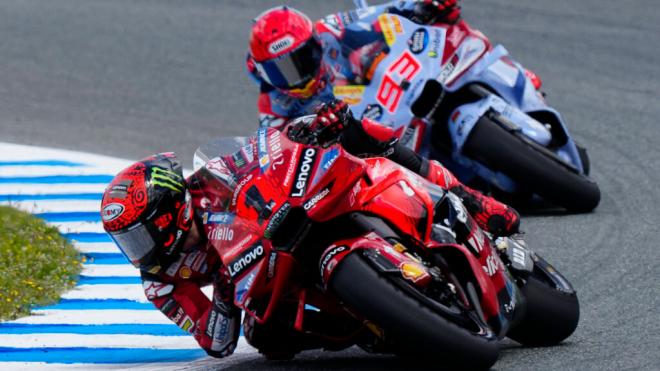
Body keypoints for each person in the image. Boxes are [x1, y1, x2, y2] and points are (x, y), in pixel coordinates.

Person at [100, 101, 520, 359]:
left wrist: (308, 130)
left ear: (167, 212)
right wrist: (227, 294)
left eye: (137, 235)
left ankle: (472, 199)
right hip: (260, 281)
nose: (136, 250)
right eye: (126, 241)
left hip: (283, 224)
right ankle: (374, 321)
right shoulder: (161, 284)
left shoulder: (207, 183)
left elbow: (260, 152)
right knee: (269, 339)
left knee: (359, 136)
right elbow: (217, 342)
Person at [247, 1, 461, 129]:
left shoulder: (329, 30)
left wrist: (422, 6)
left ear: (314, 42)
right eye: (280, 70)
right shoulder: (272, 105)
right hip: (362, 148)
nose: (297, 76)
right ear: (263, 73)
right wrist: (311, 132)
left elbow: (381, 13)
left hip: (392, 99)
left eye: (301, 59)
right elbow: (275, 156)